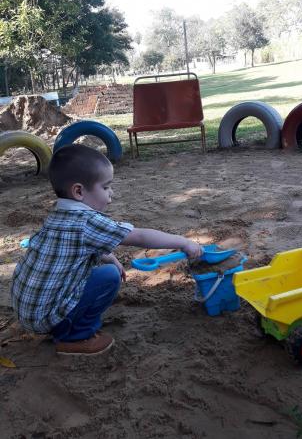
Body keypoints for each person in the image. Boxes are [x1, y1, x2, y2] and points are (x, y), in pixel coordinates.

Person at [11, 144, 202, 356]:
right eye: (105, 187)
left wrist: (111, 258)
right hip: (44, 316)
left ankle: (65, 323)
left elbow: (79, 247)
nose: (111, 193)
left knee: (107, 268)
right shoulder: (86, 221)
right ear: (79, 191)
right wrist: (183, 242)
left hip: (28, 310)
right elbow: (139, 236)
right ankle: (75, 337)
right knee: (109, 277)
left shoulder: (59, 214)